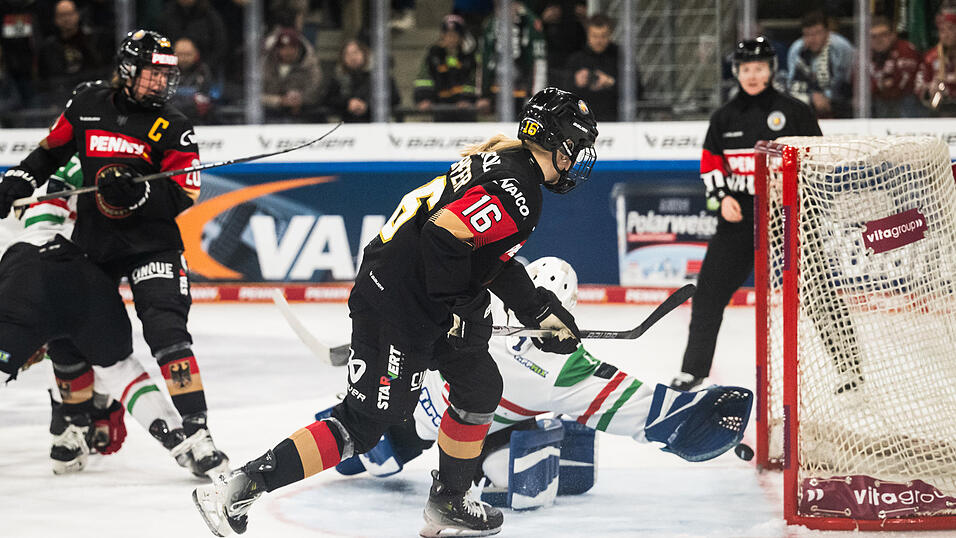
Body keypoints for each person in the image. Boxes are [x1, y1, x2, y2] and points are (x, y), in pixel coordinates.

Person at [191, 87, 599, 537]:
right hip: (398, 302)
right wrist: (459, 309)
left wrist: (538, 309)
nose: (576, 159)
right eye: (573, 148)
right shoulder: (517, 186)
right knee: (363, 423)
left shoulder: (508, 169)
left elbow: (487, 257)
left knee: (479, 385)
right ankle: (240, 485)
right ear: (553, 141)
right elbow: (444, 237)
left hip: (419, 294)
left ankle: (449, 500)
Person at [321, 257, 753, 507]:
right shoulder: (478, 312)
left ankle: (535, 442)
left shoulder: (568, 365)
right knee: (368, 457)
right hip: (414, 418)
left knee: (502, 476)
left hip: (475, 436)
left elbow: (635, 404)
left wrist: (689, 418)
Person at [0, 29, 228, 476]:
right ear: (126, 71)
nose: (160, 85)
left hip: (152, 245)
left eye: (166, 76)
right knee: (68, 335)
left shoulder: (176, 126)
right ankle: (74, 423)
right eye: (151, 75)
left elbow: (185, 193)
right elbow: (49, 153)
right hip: (95, 245)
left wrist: (137, 195)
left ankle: (199, 433)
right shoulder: (86, 107)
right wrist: (18, 181)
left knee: (167, 332)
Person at [0, 155, 211, 477]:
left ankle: (69, 423)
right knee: (114, 364)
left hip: (35, 271)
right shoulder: (104, 157)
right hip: (84, 274)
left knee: (55, 344)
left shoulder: (45, 172)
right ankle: (184, 445)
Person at [670, 37, 824, 391]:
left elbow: (818, 159)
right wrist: (722, 196)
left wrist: (798, 197)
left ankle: (850, 369)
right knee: (708, 294)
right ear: (736, 72)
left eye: (759, 68)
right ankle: (693, 370)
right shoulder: (724, 118)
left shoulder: (796, 111)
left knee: (820, 290)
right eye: (745, 69)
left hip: (791, 216)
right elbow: (711, 164)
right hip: (739, 220)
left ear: (771, 70)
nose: (752, 75)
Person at [475, 2, 547, 119]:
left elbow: (539, 63)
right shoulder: (491, 24)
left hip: (524, 91)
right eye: (497, 6)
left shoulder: (530, 22)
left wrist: (535, 97)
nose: (499, 10)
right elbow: (484, 60)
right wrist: (483, 95)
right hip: (496, 91)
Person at [564, 13, 641, 122]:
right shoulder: (576, 59)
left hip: (616, 119)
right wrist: (575, 81)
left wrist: (611, 82)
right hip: (582, 120)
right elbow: (563, 92)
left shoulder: (621, 57)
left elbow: (638, 89)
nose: (599, 41)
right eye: (595, 36)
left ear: (610, 35)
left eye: (603, 36)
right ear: (588, 35)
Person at [37, 0, 109, 106]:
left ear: (77, 15)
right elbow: (45, 80)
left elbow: (100, 71)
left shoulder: (92, 41)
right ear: (56, 19)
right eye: (62, 15)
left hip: (90, 97)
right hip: (58, 99)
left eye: (70, 14)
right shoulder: (48, 47)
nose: (66, 19)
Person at [787, 10, 855, 119]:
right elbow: (792, 82)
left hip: (839, 100)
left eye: (817, 33)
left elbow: (846, 80)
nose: (812, 39)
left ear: (827, 32)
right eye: (807, 34)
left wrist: (827, 96)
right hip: (807, 98)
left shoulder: (841, 47)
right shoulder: (797, 49)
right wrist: (812, 96)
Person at [413, 14, 478, 122]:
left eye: (454, 35)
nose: (450, 39)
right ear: (442, 36)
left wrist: (467, 99)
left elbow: (474, 79)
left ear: (461, 37)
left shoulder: (469, 56)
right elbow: (424, 78)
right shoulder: (434, 55)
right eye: (447, 35)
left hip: (464, 109)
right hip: (440, 107)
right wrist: (424, 98)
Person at [325, 38, 400, 123]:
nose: (352, 57)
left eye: (355, 52)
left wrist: (367, 106)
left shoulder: (380, 76)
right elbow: (329, 100)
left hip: (376, 125)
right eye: (347, 54)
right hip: (349, 127)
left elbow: (394, 99)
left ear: (364, 53)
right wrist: (347, 104)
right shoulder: (339, 78)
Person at [260, 27, 323, 123]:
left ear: (298, 48)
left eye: (292, 48)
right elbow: (254, 95)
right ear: (277, 49)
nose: (287, 52)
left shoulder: (310, 65)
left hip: (304, 114)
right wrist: (279, 101)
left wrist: (300, 100)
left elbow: (316, 91)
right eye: (283, 48)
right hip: (268, 115)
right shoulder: (264, 64)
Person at [869, 15, 922, 118]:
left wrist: (879, 85)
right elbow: (859, 85)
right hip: (878, 101)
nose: (878, 40)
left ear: (893, 35)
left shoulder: (906, 50)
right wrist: (880, 85)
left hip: (906, 100)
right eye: (873, 36)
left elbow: (902, 85)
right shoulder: (865, 54)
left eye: (883, 35)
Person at [916, 8, 956, 116]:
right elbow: (920, 86)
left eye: (950, 29)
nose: (946, 34)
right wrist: (929, 89)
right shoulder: (931, 57)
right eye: (942, 30)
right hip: (941, 108)